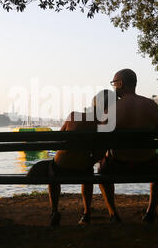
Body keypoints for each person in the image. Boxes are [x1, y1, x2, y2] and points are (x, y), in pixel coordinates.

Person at [27, 89, 115, 226]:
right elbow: (99, 153)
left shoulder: (74, 116)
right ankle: (86, 214)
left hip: (60, 167)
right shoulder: (104, 125)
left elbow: (57, 141)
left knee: (52, 170)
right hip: (83, 169)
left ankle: (55, 211)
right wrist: (90, 160)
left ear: (94, 104)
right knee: (89, 173)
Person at [100, 68, 158, 223]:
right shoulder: (151, 105)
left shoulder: (111, 109)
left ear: (121, 84)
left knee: (102, 168)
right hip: (149, 165)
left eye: (114, 83)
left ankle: (113, 214)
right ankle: (150, 212)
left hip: (118, 167)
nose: (113, 86)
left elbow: (100, 138)